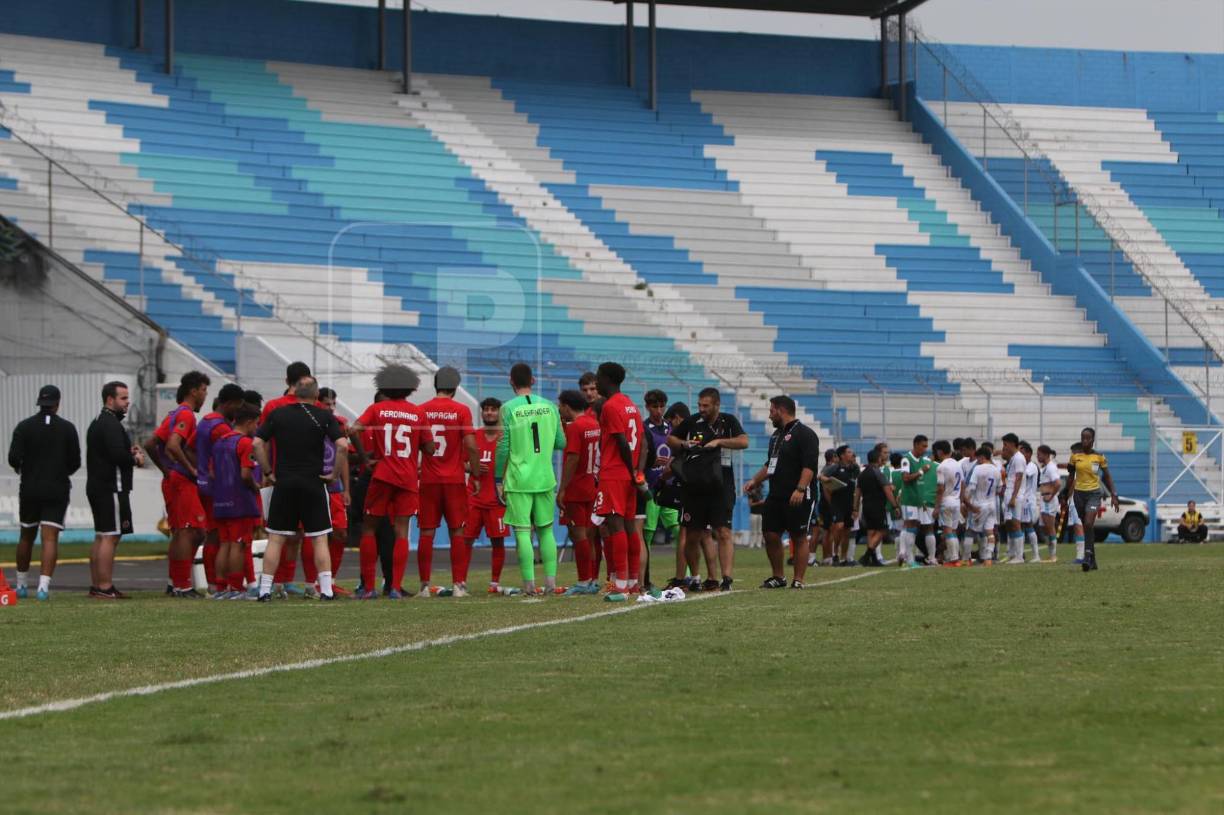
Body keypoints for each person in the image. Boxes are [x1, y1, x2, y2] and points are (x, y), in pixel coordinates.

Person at [252, 376, 349, 602]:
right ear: (316, 396)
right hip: (313, 483)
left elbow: (256, 443)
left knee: (276, 538)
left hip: (284, 482)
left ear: (295, 392)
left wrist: (268, 471)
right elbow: (343, 446)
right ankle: (326, 590)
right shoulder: (324, 416)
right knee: (319, 538)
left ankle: (265, 590)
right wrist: (334, 475)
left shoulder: (278, 414)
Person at [350, 365, 435, 599]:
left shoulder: (377, 409)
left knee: (369, 528)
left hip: (382, 475)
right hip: (407, 477)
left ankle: (369, 588)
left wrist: (365, 458)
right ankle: (395, 587)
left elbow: (353, 430)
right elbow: (430, 448)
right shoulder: (417, 413)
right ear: (411, 388)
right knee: (401, 531)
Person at [495, 362, 567, 596]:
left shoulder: (507, 408)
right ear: (533, 381)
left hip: (519, 479)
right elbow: (561, 443)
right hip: (544, 477)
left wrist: (498, 478)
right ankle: (551, 583)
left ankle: (528, 585)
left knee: (523, 532)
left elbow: (503, 447)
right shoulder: (550, 407)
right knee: (546, 530)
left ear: (511, 381)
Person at [668, 388, 748, 591]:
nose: (701, 409)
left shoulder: (728, 421)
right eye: (699, 405)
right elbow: (671, 439)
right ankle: (695, 577)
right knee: (693, 534)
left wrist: (719, 441)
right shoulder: (693, 421)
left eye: (706, 405)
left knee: (723, 531)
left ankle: (726, 578)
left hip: (721, 485)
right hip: (694, 485)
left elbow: (743, 441)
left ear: (716, 405)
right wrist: (685, 444)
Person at [8, 384, 81, 600]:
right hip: (56, 488)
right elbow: (75, 462)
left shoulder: (24, 427)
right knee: (50, 538)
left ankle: (21, 585)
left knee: (26, 536)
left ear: (40, 402)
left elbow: (13, 458)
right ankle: (43, 588)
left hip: (30, 488)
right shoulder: (67, 428)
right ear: (57, 403)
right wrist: (61, 471)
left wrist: (24, 468)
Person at [145, 370, 210, 597]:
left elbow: (151, 443)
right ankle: (183, 585)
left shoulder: (173, 414)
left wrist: (166, 470)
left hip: (174, 479)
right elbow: (173, 445)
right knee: (192, 531)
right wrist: (190, 469)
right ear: (193, 391)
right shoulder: (186, 415)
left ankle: (175, 583)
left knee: (182, 531)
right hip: (182, 481)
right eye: (204, 390)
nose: (205, 395)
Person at [744, 396, 819, 588]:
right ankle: (778, 577)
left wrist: (800, 489)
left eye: (771, 411)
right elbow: (770, 464)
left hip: (799, 494)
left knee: (798, 536)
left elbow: (809, 466)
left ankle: (798, 580)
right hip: (776, 494)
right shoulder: (776, 436)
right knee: (770, 534)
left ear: (781, 410)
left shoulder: (806, 434)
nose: (770, 415)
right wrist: (754, 480)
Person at [417, 367, 479, 596]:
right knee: (457, 533)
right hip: (454, 480)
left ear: (436, 384)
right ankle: (459, 585)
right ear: (455, 387)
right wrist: (475, 474)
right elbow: (471, 446)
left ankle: (424, 586)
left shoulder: (421, 410)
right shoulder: (461, 410)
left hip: (429, 479)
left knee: (426, 533)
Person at [591, 362, 648, 600]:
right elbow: (643, 443)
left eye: (598, 377)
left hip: (614, 473)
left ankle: (621, 584)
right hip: (629, 476)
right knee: (629, 526)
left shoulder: (611, 406)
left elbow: (622, 442)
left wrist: (628, 468)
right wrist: (637, 472)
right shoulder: (631, 405)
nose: (596, 382)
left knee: (615, 526)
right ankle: (633, 582)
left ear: (607, 379)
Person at [85, 381, 144, 599]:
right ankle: (105, 587)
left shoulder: (99, 421)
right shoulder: (110, 424)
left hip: (98, 486)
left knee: (102, 536)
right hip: (111, 487)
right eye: (123, 398)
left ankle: (97, 586)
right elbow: (117, 455)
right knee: (110, 536)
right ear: (110, 400)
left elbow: (112, 451)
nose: (128, 402)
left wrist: (128, 450)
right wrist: (135, 458)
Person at [260, 362, 313, 595]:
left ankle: (273, 582)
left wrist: (266, 472)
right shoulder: (314, 405)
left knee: (276, 533)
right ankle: (289, 580)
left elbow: (261, 441)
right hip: (308, 477)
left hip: (279, 476)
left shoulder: (272, 406)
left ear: (286, 381)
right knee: (304, 533)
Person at [193, 383, 246, 595]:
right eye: (238, 406)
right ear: (230, 403)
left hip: (205, 485)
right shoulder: (222, 429)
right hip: (218, 488)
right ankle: (219, 584)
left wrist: (198, 471)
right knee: (225, 539)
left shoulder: (205, 421)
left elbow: (189, 448)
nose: (239, 411)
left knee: (215, 536)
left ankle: (216, 584)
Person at [209, 404, 262, 599]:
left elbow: (212, 472)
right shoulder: (245, 443)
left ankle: (221, 587)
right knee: (238, 545)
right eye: (256, 423)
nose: (257, 427)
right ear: (248, 422)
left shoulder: (220, 442)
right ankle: (236, 588)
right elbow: (246, 474)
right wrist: (256, 487)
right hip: (240, 500)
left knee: (225, 544)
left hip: (220, 500)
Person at [462, 398, 511, 595]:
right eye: (486, 409)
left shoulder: (506, 438)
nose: (489, 412)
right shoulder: (473, 436)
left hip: (497, 500)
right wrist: (471, 467)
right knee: (466, 539)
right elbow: (460, 463)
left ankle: (494, 583)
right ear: (481, 413)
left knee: (497, 541)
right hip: (473, 498)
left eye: (493, 409)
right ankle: (460, 581)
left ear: (500, 413)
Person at [557, 390, 601, 595]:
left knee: (579, 534)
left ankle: (583, 581)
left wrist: (562, 489)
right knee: (590, 535)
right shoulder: (593, 424)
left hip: (576, 486)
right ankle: (592, 578)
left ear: (567, 406)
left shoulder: (576, 427)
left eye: (560, 406)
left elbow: (573, 458)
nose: (559, 409)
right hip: (591, 483)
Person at [1060, 427, 1119, 572]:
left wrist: (1114, 494)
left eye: (1087, 438)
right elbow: (1071, 477)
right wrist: (1065, 494)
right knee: (1088, 527)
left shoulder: (1099, 457)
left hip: (1093, 493)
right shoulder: (1075, 457)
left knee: (1087, 523)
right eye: (1083, 438)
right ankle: (1093, 561)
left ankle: (1086, 557)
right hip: (1079, 495)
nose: (1085, 441)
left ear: (1093, 440)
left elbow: (1107, 476)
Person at [316, 387, 354, 595]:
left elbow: (344, 457)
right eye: (326, 404)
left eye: (333, 404)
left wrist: (346, 488)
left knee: (340, 533)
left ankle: (330, 581)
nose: (331, 408)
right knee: (312, 535)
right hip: (314, 485)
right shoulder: (310, 422)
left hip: (335, 488)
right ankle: (312, 582)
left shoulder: (338, 425)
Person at [642, 390, 680, 550]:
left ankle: (686, 566)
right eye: (654, 407)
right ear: (647, 407)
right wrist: (651, 462)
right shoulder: (643, 428)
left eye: (662, 406)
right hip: (650, 488)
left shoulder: (671, 428)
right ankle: (644, 567)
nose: (659, 410)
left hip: (669, 486)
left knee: (678, 529)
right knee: (648, 532)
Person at [855, 443, 898, 567]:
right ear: (878, 459)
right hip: (877, 506)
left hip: (866, 505)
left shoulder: (862, 474)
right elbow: (887, 491)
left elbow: (857, 493)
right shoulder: (878, 473)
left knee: (871, 531)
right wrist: (895, 506)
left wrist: (855, 508)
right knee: (882, 530)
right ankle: (867, 555)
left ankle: (873, 558)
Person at [898, 435, 938, 567]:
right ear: (915, 445)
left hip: (918, 501)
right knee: (910, 526)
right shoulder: (906, 459)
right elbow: (905, 478)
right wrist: (921, 472)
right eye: (923, 446)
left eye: (926, 446)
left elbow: (921, 484)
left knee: (913, 528)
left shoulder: (921, 460)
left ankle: (907, 556)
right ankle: (909, 559)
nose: (925, 449)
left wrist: (922, 501)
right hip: (909, 500)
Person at [962, 446, 1000, 565]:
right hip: (992, 505)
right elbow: (999, 489)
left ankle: (966, 559)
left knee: (970, 531)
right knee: (989, 532)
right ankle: (988, 558)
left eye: (978, 458)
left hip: (979, 505)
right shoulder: (996, 470)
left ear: (982, 457)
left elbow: (971, 488)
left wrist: (966, 502)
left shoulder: (978, 469)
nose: (977, 461)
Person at [933, 439, 968, 566]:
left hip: (946, 501)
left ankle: (954, 558)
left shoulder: (941, 467)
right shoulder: (957, 464)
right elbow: (963, 484)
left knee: (947, 531)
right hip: (956, 501)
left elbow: (940, 488)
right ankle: (953, 556)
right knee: (953, 531)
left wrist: (937, 507)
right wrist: (961, 500)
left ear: (939, 452)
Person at [999, 433, 1028, 564]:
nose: (1004, 447)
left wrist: (1013, 497)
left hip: (1015, 496)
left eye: (1005, 444)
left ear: (1011, 444)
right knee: (1010, 524)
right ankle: (1012, 553)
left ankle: (1019, 556)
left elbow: (1019, 478)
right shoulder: (1013, 458)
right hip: (1009, 494)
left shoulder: (1019, 458)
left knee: (1016, 524)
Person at [1037, 445, 1062, 561]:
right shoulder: (1045, 467)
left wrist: (1051, 495)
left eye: (1039, 454)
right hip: (1044, 499)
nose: (1037, 456)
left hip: (1048, 500)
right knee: (1043, 527)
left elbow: (1058, 483)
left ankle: (1053, 555)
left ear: (1046, 455)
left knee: (1049, 527)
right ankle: (1051, 552)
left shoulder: (1051, 467)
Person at [1020, 441, 1043, 563]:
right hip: (1023, 500)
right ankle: (1020, 554)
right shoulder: (1025, 465)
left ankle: (1036, 555)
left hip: (1028, 500)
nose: (1021, 456)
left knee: (1028, 525)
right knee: (1021, 526)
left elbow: (1023, 475)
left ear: (1029, 454)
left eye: (1023, 453)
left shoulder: (1031, 466)